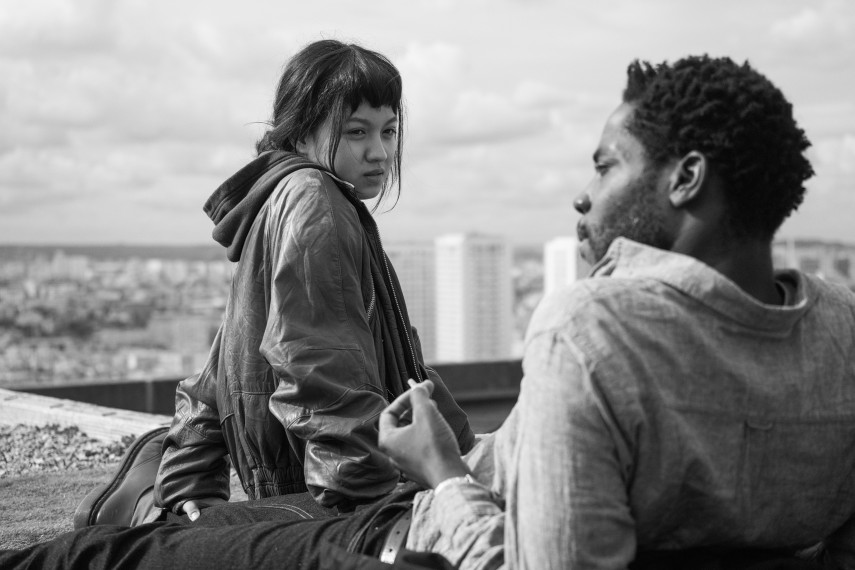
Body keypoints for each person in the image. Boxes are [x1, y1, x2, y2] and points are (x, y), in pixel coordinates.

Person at [5, 54, 854, 570]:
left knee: (100, 561)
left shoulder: (595, 334)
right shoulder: (842, 329)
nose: (580, 194)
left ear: (685, 178)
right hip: (423, 493)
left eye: (605, 166)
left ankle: (163, 504)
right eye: (358, 132)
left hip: (407, 530)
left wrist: (439, 475)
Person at [75, 38, 475, 527]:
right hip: (330, 485)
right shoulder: (315, 202)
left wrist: (186, 477)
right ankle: (146, 503)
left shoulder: (292, 197)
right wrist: (365, 504)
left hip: (333, 472)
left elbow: (232, 349)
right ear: (302, 133)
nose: (380, 152)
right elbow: (316, 365)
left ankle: (147, 497)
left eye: (388, 131)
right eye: (356, 132)